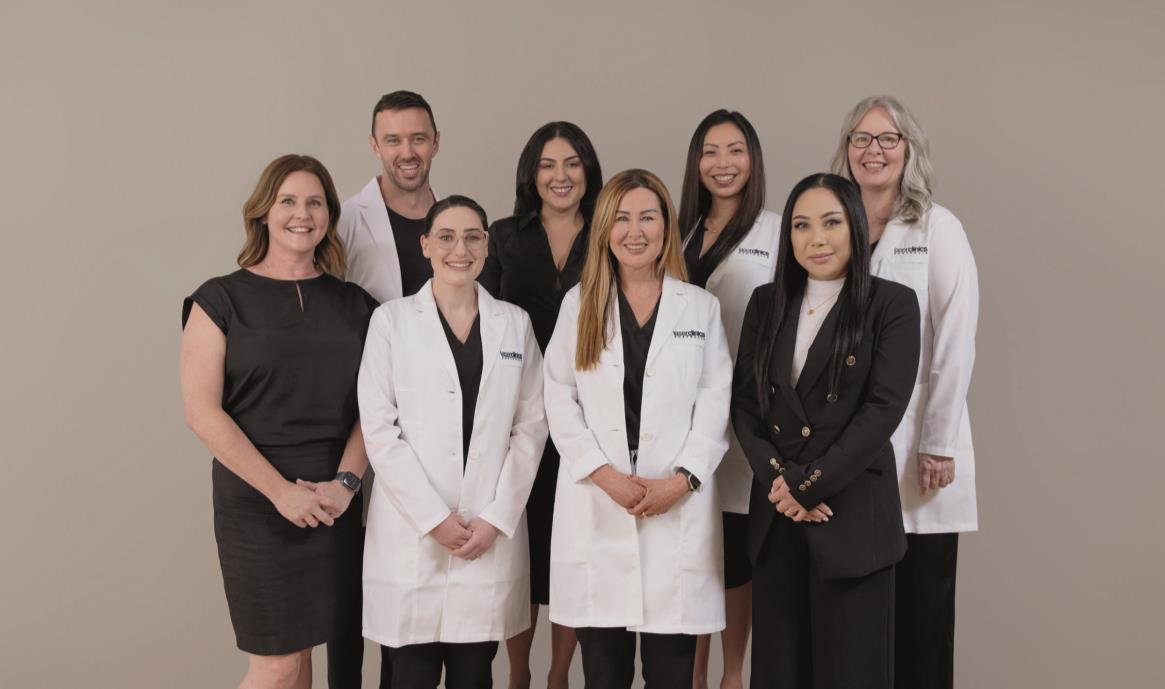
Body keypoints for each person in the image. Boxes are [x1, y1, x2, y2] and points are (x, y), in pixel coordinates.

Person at [180, 154, 377, 689]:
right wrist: (280, 493)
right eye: (287, 201)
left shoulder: (357, 306)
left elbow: (376, 408)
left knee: (305, 655)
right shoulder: (219, 299)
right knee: (279, 665)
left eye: (315, 202)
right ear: (263, 211)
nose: (302, 214)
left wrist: (345, 484)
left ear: (330, 215)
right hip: (257, 504)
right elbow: (202, 412)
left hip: (334, 505)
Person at [543, 169, 733, 688]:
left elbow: (715, 401)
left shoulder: (700, 308)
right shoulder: (579, 303)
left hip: (674, 504)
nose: (635, 231)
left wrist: (682, 480)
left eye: (648, 217)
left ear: (666, 227)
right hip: (600, 502)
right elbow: (558, 398)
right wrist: (604, 475)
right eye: (622, 218)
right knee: (604, 672)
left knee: (672, 673)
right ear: (605, 229)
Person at [732, 173, 921, 689]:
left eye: (831, 223)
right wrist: (783, 484)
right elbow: (745, 405)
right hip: (777, 517)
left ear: (855, 226)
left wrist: (807, 485)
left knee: (852, 674)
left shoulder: (892, 304)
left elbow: (882, 411)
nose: (816, 238)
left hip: (851, 516)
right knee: (778, 675)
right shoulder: (766, 302)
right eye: (801, 225)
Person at [358, 195, 548, 689]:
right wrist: (434, 520)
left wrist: (496, 518)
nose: (459, 249)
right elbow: (379, 430)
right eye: (446, 237)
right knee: (411, 674)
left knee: (474, 673)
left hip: (487, 532)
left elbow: (531, 427)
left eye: (472, 237)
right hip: (413, 534)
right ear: (425, 245)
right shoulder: (391, 322)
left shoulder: (514, 324)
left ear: (486, 246)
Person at [830, 95, 979, 689]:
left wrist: (938, 442)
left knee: (922, 611)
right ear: (847, 149)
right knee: (858, 621)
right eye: (862, 138)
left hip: (919, 445)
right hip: (845, 445)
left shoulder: (938, 227)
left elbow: (956, 338)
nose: (874, 151)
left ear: (908, 150)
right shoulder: (833, 226)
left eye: (888, 139)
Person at [478, 120, 603, 689]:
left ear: (588, 171)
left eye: (572, 163)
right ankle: (519, 674)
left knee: (572, 550)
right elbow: (485, 319)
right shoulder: (503, 235)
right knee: (521, 550)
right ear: (531, 173)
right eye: (548, 165)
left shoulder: (608, 232)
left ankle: (558, 674)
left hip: (588, 414)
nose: (560, 176)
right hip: (520, 415)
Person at [332, 89, 442, 688]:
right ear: (375, 146)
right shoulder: (346, 221)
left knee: (413, 588)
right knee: (352, 582)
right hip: (359, 423)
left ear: (436, 143)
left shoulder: (454, 225)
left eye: (418, 138)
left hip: (434, 428)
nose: (407, 151)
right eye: (394, 139)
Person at [676, 109, 780, 689]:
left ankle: (732, 674)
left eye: (735, 150)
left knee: (736, 553)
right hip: (681, 412)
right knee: (695, 550)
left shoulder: (777, 231)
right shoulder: (678, 231)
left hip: (749, 413)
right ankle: (693, 674)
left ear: (753, 159)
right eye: (710, 151)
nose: (723, 163)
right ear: (696, 162)